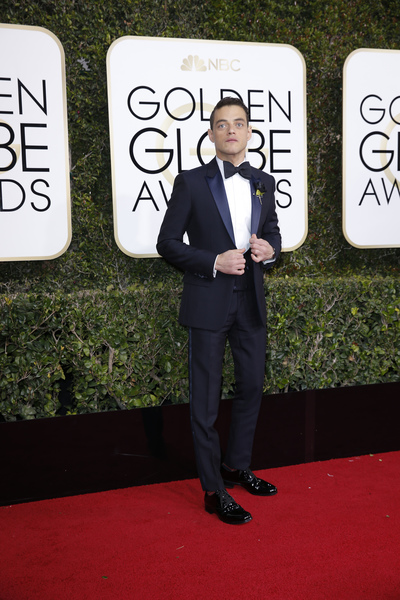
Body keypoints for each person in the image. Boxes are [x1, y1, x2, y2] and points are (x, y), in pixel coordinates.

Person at [157, 97, 281, 525]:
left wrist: (269, 250)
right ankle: (213, 489)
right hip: (208, 300)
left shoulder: (264, 181)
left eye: (239, 123)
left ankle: (236, 465)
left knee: (251, 387)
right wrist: (213, 261)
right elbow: (167, 243)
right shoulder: (190, 182)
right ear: (211, 134)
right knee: (205, 403)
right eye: (222, 124)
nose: (231, 130)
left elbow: (272, 232)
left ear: (249, 132)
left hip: (251, 300)